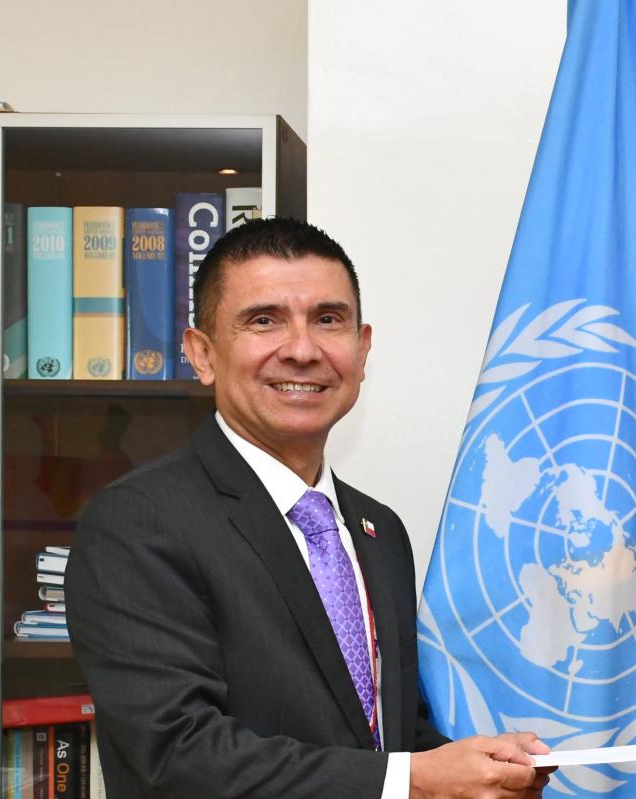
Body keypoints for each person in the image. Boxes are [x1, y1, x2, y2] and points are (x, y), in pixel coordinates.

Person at [68, 218, 550, 798]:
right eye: (263, 320)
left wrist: (479, 770)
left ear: (362, 348)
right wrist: (414, 781)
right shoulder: (139, 522)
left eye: (328, 320)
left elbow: (377, 739)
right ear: (202, 353)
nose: (301, 350)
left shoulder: (379, 531)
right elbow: (174, 755)